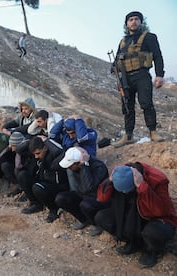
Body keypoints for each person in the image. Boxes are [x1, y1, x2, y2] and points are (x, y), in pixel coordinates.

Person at [95, 163, 177, 268]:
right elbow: (101, 199)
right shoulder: (119, 173)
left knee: (154, 232)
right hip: (132, 214)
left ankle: (151, 250)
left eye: (127, 190)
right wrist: (109, 181)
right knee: (101, 217)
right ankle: (133, 242)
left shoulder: (157, 179)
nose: (124, 193)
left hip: (153, 217)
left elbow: (160, 211)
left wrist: (142, 186)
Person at [112, 11, 165, 147]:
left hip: (142, 76)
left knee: (146, 103)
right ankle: (128, 135)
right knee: (127, 106)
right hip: (125, 78)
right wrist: (114, 70)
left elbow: (157, 56)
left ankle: (153, 132)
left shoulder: (149, 37)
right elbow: (117, 59)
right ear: (127, 24)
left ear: (141, 22)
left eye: (136, 19)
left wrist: (159, 75)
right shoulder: (123, 41)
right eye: (130, 20)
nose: (133, 22)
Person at [55, 147, 108, 231]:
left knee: (85, 204)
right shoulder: (77, 167)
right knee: (61, 198)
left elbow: (88, 188)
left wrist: (84, 166)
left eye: (70, 166)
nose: (68, 168)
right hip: (83, 194)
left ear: (78, 163)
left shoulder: (99, 167)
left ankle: (96, 223)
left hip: (97, 199)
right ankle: (84, 220)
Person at [17, 137, 69, 222]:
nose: (36, 156)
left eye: (38, 153)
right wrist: (34, 139)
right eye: (35, 154)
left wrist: (46, 140)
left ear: (45, 147)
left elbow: (61, 151)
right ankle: (36, 204)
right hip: (42, 181)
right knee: (22, 175)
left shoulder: (53, 154)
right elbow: (19, 150)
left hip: (56, 186)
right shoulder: (38, 155)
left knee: (37, 187)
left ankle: (53, 209)